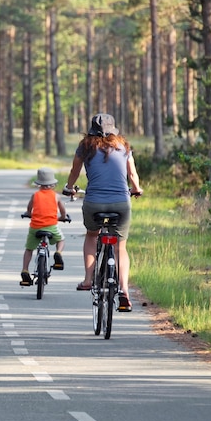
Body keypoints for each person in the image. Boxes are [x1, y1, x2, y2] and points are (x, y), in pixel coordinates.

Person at [63, 113, 143, 311]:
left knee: (92, 235)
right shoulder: (123, 146)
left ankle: (89, 279)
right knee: (120, 247)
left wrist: (70, 187)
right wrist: (137, 189)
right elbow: (132, 174)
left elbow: (74, 172)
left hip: (94, 203)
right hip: (121, 203)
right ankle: (124, 290)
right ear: (113, 129)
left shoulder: (85, 147)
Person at [20, 168, 68, 286]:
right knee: (61, 240)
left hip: (35, 227)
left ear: (38, 184)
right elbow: (62, 210)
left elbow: (29, 209)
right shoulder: (56, 196)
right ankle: (58, 253)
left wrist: (28, 213)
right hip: (51, 226)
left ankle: (25, 270)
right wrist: (63, 217)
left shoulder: (35, 195)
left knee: (29, 249)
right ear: (53, 184)